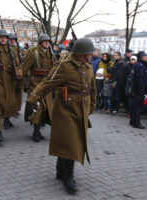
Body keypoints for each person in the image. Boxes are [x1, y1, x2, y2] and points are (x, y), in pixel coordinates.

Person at [26, 38, 96, 195]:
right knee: (71, 143)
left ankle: (59, 170)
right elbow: (48, 82)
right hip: (66, 109)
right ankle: (68, 177)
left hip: (81, 109)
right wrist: (32, 99)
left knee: (69, 141)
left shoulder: (89, 66)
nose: (91, 55)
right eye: (89, 53)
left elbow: (92, 88)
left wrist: (91, 107)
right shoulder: (65, 66)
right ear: (80, 54)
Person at [23, 33, 55, 142]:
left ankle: (38, 130)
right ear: (40, 42)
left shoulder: (51, 55)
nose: (47, 43)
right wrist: (22, 83)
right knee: (38, 108)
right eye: (44, 41)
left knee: (46, 108)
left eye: (48, 41)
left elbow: (55, 69)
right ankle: (35, 132)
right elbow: (25, 68)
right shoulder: (34, 53)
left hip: (47, 86)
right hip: (35, 84)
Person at [130, 51, 147, 129]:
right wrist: (142, 92)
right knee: (137, 107)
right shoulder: (140, 66)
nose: (146, 57)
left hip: (136, 89)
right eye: (145, 56)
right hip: (139, 90)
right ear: (142, 57)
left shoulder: (138, 65)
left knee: (134, 106)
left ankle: (132, 121)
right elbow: (140, 80)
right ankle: (136, 123)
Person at [8, 33, 24, 118]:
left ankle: (16, 109)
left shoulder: (17, 49)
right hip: (11, 74)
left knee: (18, 93)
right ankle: (9, 113)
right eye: (11, 40)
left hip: (19, 73)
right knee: (11, 95)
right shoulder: (7, 49)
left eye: (14, 40)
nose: (12, 41)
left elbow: (22, 59)